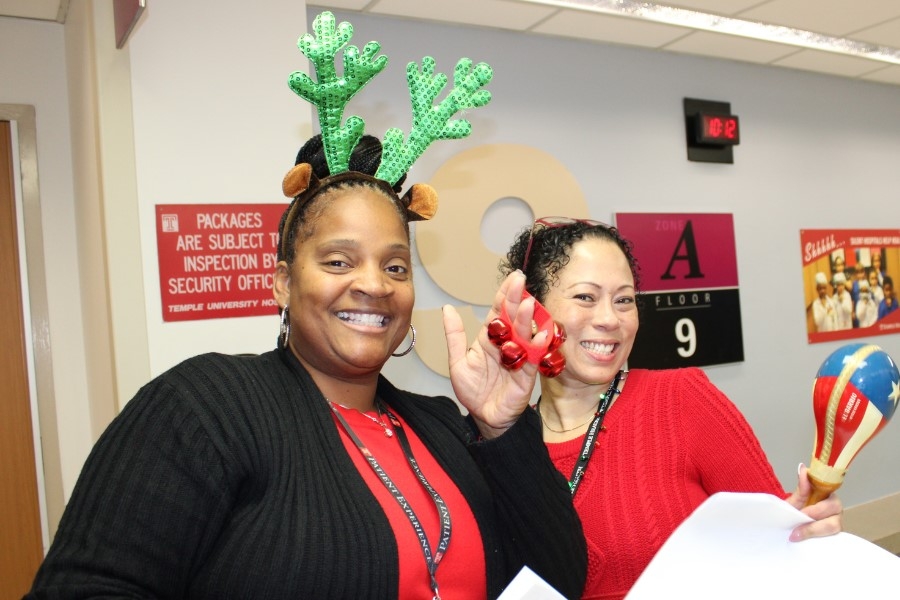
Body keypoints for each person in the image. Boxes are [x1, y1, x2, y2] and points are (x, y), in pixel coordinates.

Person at [26, 13, 587, 600]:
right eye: (339, 261)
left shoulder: (444, 427)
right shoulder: (202, 410)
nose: (374, 284)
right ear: (281, 284)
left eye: (395, 266)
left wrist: (501, 431)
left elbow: (557, 581)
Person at [499, 218, 843, 600]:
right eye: (586, 297)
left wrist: (802, 525)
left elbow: (775, 538)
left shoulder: (680, 399)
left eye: (624, 300)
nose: (611, 319)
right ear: (531, 310)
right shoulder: (505, 446)